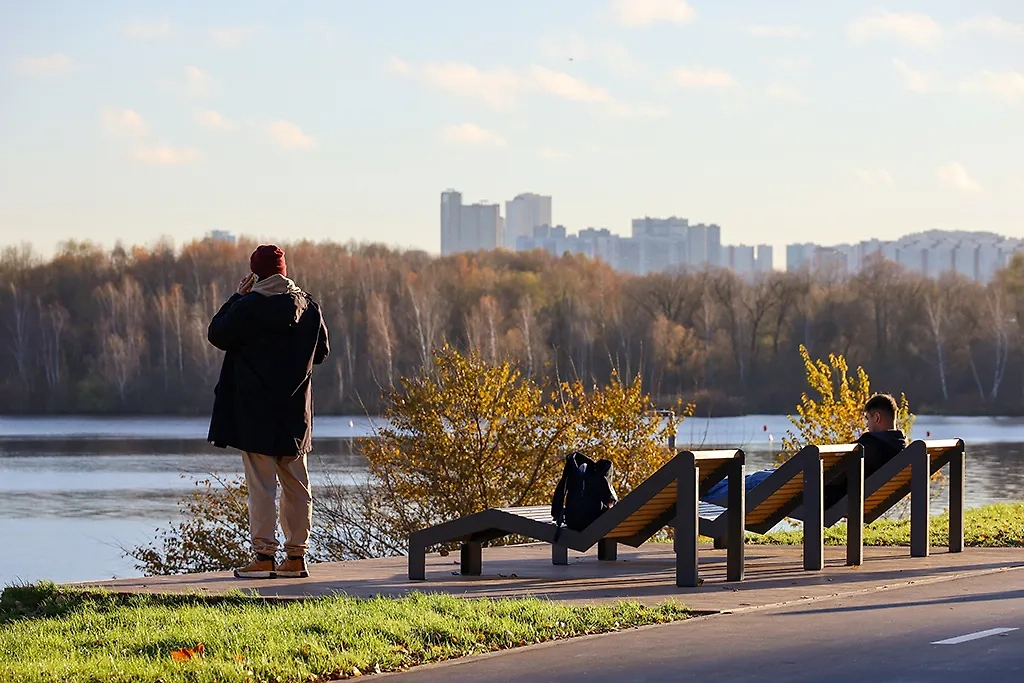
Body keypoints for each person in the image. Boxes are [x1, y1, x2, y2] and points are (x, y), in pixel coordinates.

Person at [207, 244, 330, 579]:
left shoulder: (247, 307)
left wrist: (235, 296)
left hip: (254, 412)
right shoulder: (308, 307)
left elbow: (216, 334)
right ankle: (296, 558)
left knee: (261, 487)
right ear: (284, 270)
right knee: (297, 487)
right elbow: (321, 353)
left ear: (255, 272)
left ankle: (263, 557)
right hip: (294, 414)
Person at [702, 393, 909, 510]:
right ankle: (701, 489)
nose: (867, 424)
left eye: (867, 419)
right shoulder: (899, 448)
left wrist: (802, 472)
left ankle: (698, 491)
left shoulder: (869, 448)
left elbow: (834, 477)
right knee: (755, 477)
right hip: (825, 490)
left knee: (754, 480)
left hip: (816, 492)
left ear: (878, 418)